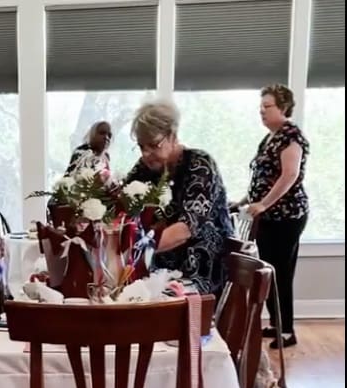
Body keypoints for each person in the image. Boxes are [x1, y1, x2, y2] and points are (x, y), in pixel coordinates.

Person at [126, 101, 233, 295]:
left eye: (154, 145)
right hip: (161, 266)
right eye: (141, 146)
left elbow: (186, 228)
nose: (147, 154)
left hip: (202, 267)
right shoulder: (144, 168)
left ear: (173, 136)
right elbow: (121, 204)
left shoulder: (200, 165)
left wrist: (138, 252)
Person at [240, 85, 309, 348]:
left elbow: (288, 175)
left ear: (284, 107)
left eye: (267, 106)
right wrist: (245, 201)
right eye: (261, 106)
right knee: (268, 269)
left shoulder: (291, 136)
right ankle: (275, 324)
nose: (262, 111)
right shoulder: (270, 137)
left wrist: (264, 204)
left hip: (287, 217)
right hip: (270, 216)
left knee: (280, 272)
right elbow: (262, 179)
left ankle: (287, 331)